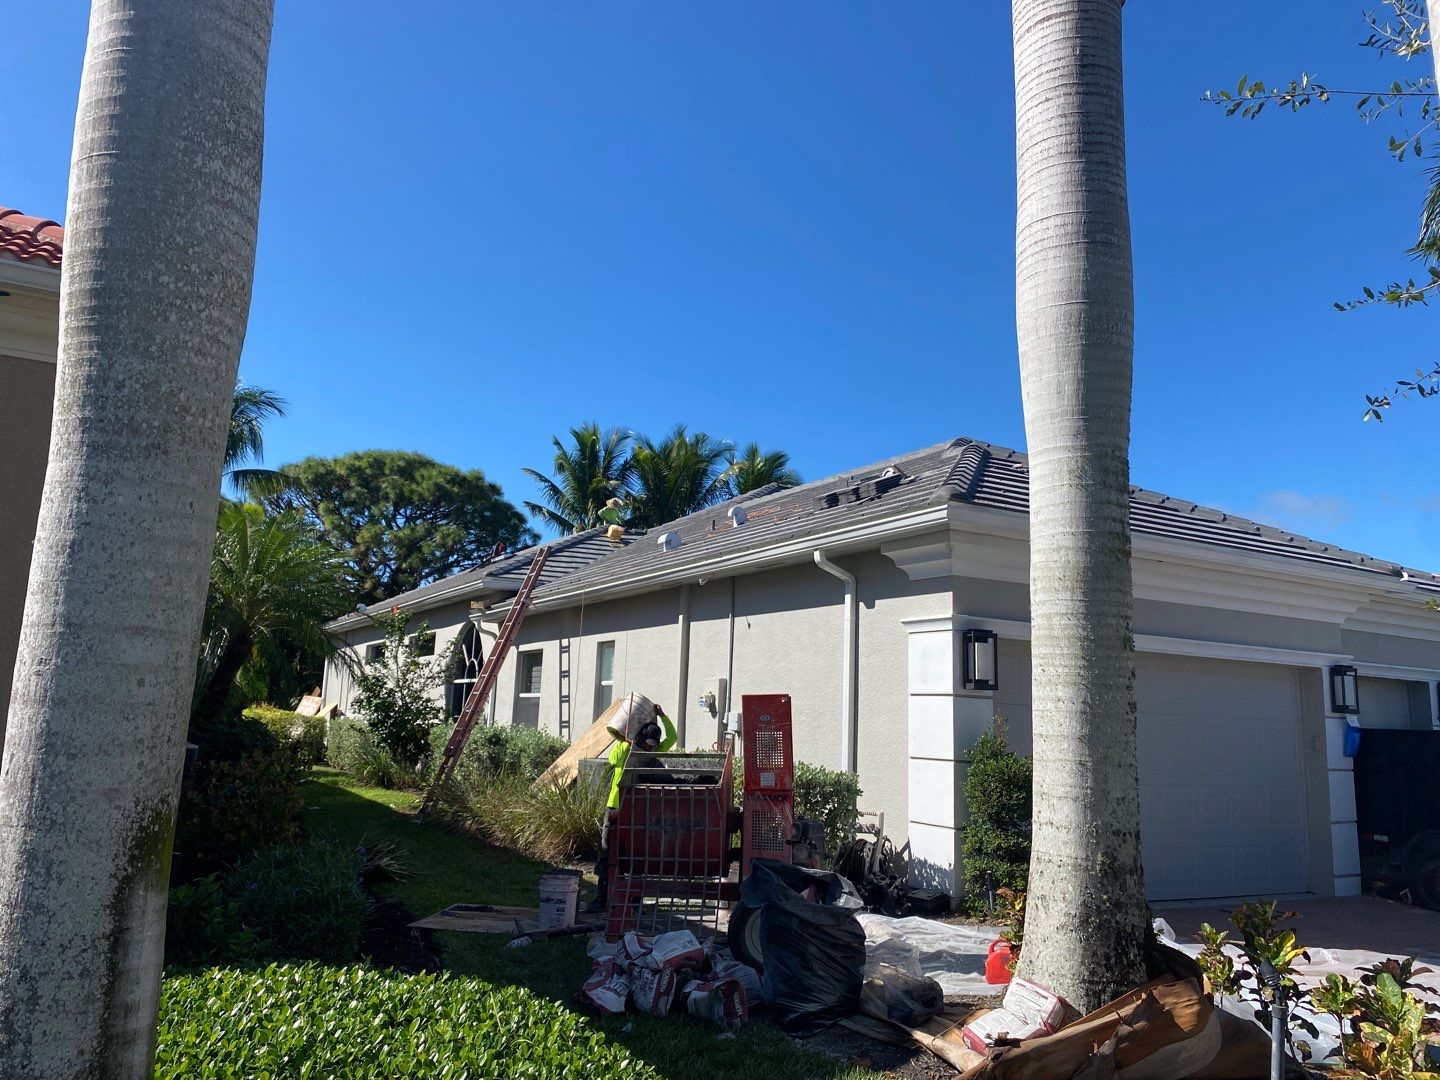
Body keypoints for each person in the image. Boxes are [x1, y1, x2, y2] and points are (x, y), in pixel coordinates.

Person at [584, 703, 677, 914]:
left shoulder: (652, 753)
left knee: (637, 856)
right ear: (640, 738)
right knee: (608, 855)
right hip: (616, 809)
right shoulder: (625, 750)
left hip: (637, 813)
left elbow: (672, 738)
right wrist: (626, 743)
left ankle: (634, 900)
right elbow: (613, 759)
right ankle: (603, 898)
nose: (651, 748)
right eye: (648, 743)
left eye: (654, 745)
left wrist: (663, 716)